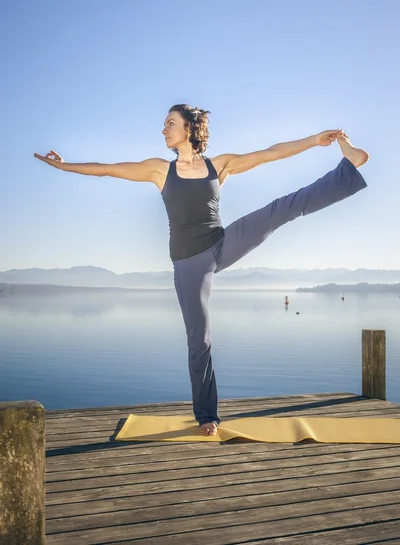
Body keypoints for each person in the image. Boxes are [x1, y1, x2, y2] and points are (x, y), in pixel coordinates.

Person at [34, 103, 370, 437]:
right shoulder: (158, 170)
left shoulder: (219, 165)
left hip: (222, 243)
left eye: (170, 123)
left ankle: (348, 167)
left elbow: (270, 153)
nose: (164, 129)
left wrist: (314, 139)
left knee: (280, 209)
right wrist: (63, 167)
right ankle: (207, 415)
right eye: (164, 124)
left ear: (190, 129)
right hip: (189, 262)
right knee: (200, 340)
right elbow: (106, 169)